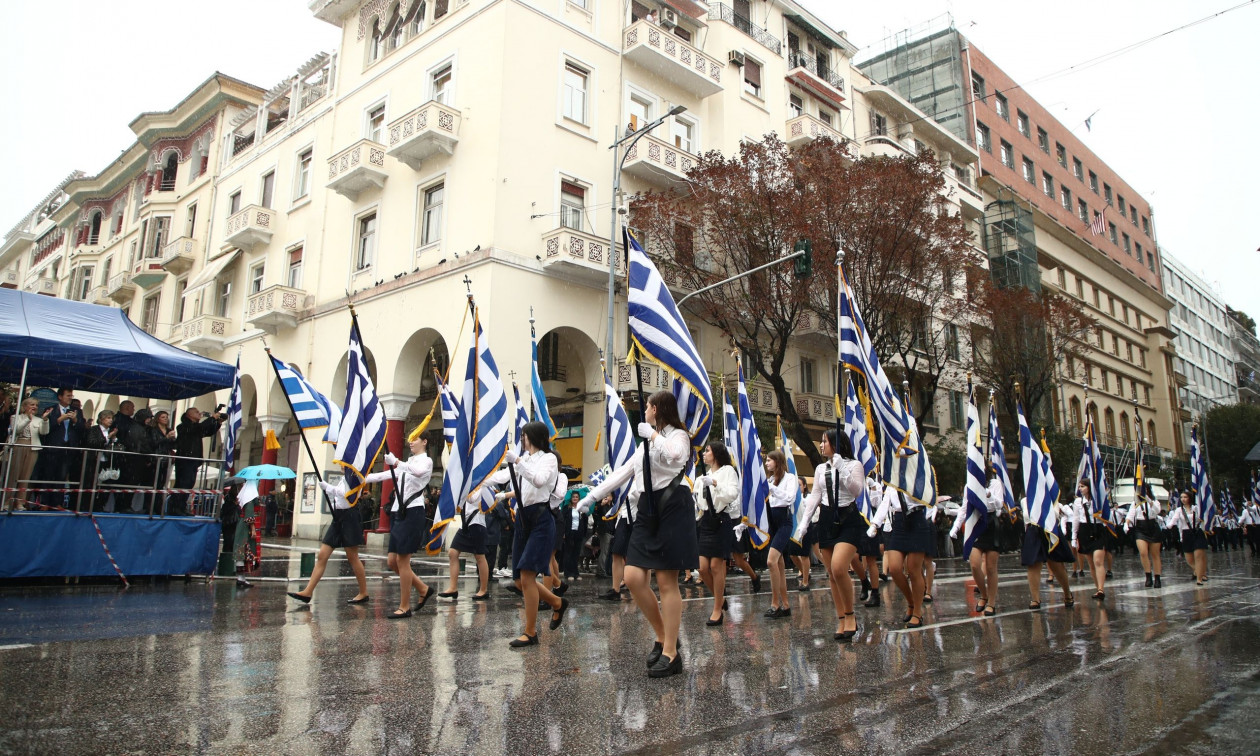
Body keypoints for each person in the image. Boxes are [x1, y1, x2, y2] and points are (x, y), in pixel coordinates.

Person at [580, 390, 696, 677]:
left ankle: (671, 653)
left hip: (671, 507)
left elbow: (676, 456)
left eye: (647, 406)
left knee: (667, 581)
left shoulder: (678, 435)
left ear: (656, 409)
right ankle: (663, 635)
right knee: (632, 577)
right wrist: (592, 496)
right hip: (647, 509)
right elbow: (624, 472)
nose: (644, 410)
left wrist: (654, 437)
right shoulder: (645, 443)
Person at [486, 421, 569, 648]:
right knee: (519, 580)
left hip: (541, 518)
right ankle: (556, 602)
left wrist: (519, 462)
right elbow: (503, 476)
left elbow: (539, 480)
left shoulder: (548, 459)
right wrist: (478, 482)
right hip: (523, 519)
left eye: (524, 436)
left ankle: (530, 632)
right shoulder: (527, 459)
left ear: (532, 436)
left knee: (527, 577)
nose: (522, 439)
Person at [792, 429, 865, 640]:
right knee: (832, 574)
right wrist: (804, 524)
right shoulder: (820, 469)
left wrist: (841, 467)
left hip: (847, 519)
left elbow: (856, 490)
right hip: (826, 520)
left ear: (836, 443)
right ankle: (841, 618)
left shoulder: (853, 465)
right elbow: (815, 497)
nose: (821, 445)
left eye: (824, 441)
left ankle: (851, 615)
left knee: (839, 567)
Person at [361, 434, 436, 617]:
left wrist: (396, 462)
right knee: (392, 561)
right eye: (409, 439)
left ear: (425, 442)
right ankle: (423, 589)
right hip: (398, 511)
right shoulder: (408, 462)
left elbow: (416, 472)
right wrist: (361, 477)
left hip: (413, 511)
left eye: (415, 439)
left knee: (403, 560)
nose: (411, 442)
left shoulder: (425, 461)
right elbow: (386, 475)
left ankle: (405, 606)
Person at [287, 476, 371, 607]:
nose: (341, 465)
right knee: (322, 555)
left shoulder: (356, 476)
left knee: (353, 557)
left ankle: (363, 592)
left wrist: (328, 487)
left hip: (350, 517)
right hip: (338, 517)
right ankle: (308, 591)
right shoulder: (344, 477)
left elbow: (345, 493)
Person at [867, 482, 932, 628]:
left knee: (914, 569)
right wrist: (875, 524)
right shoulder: (893, 479)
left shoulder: (917, 474)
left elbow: (925, 497)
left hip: (916, 519)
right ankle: (910, 602)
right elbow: (885, 503)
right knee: (895, 569)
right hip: (899, 521)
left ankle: (917, 612)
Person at [695, 442, 739, 626]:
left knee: (716, 566)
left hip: (721, 520)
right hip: (706, 521)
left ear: (717, 454)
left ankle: (717, 609)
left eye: (708, 451)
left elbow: (731, 494)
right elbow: (698, 501)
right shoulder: (700, 477)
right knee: (702, 568)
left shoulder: (728, 471)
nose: (704, 454)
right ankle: (720, 599)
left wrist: (715, 483)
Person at [950, 472, 1004, 616]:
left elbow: (999, 505)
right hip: (975, 524)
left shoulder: (995, 484)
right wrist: (955, 527)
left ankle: (991, 603)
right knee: (974, 564)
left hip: (991, 523)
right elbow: (964, 508)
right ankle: (984, 595)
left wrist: (988, 495)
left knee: (991, 567)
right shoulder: (970, 486)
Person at [1020, 496, 1076, 609]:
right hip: (1033, 531)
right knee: (1033, 564)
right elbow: (1026, 518)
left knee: (1056, 564)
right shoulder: (1025, 500)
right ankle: (1035, 599)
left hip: (1049, 529)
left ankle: (1067, 592)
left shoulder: (1050, 497)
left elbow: (1055, 515)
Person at [442, 482, 494, 602]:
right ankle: (453, 588)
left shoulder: (482, 484)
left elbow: (472, 498)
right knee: (452, 552)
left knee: (480, 556)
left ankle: (483, 590)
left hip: (477, 523)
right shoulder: (467, 482)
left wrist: (464, 488)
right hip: (465, 524)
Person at [763, 449, 798, 619]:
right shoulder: (769, 479)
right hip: (772, 523)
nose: (767, 463)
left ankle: (774, 603)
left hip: (784, 522)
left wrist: (772, 489)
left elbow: (790, 498)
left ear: (778, 461)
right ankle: (786, 605)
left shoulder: (790, 478)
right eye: (766, 460)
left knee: (771, 561)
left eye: (770, 460)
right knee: (779, 565)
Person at [170, 406, 223, 516]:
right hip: (185, 459)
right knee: (183, 483)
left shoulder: (196, 428)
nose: (199, 413)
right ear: (189, 415)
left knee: (189, 483)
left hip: (193, 459)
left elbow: (207, 431)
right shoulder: (183, 427)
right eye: (196, 412)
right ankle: (175, 507)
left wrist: (218, 423)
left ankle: (181, 506)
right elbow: (199, 428)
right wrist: (211, 418)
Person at [8, 398, 50, 510]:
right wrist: (28, 418)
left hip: (33, 448)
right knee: (13, 475)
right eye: (32, 404)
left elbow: (44, 432)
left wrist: (45, 420)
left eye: (36, 405)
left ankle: (19, 503)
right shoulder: (15, 417)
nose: (34, 407)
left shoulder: (38, 419)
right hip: (19, 445)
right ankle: (7, 501)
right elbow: (16, 429)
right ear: (25, 406)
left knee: (26, 476)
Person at [1072, 484, 1110, 600]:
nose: (1080, 489)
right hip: (1084, 530)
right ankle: (1097, 587)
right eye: (1079, 487)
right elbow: (1076, 518)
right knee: (1091, 563)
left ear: (1089, 487)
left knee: (1098, 560)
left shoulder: (1098, 499)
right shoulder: (1078, 501)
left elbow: (1106, 513)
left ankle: (1101, 589)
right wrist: (1074, 536)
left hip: (1097, 528)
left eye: (1083, 486)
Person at [1166, 490, 1209, 585]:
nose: (1183, 499)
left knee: (1198, 557)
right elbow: (1174, 521)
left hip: (1198, 532)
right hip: (1186, 534)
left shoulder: (1196, 508)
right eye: (1181, 497)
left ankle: (1199, 579)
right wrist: (1168, 526)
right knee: (1189, 559)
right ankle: (1200, 572)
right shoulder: (1179, 510)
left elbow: (1204, 517)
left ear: (1190, 498)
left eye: (1185, 497)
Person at [1124, 489, 1164, 587]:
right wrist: (1126, 523)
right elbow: (1131, 514)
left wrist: (1149, 501)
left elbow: (1157, 511)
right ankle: (1148, 575)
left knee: (1155, 554)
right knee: (1143, 552)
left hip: (1152, 527)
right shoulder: (1135, 503)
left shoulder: (1155, 502)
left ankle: (1157, 578)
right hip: (1140, 528)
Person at [560, 490, 588, 582]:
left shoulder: (581, 509)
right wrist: (563, 533)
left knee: (576, 553)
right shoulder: (566, 508)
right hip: (569, 533)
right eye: (573, 497)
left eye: (576, 497)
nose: (575, 498)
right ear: (571, 499)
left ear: (579, 498)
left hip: (578, 533)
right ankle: (568, 573)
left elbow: (585, 521)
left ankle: (576, 573)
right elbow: (562, 521)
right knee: (568, 553)